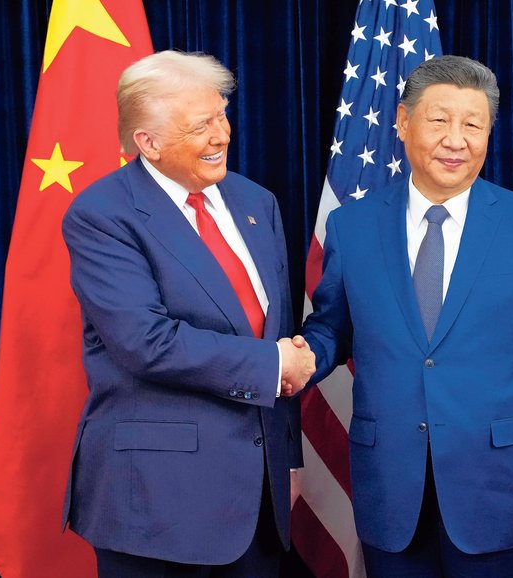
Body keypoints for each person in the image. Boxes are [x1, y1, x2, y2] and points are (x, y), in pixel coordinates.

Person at [301, 55, 513, 577]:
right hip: (391, 484)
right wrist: (294, 359)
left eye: (473, 125)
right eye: (439, 120)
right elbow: (331, 329)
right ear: (403, 122)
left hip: (501, 486)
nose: (456, 140)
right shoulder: (351, 226)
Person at [61, 50, 314, 578]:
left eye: (222, 115)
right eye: (201, 126)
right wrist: (273, 365)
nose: (222, 135)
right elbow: (145, 342)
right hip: (159, 504)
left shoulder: (256, 202)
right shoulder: (102, 214)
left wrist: (287, 456)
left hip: (259, 502)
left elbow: (278, 329)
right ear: (148, 142)